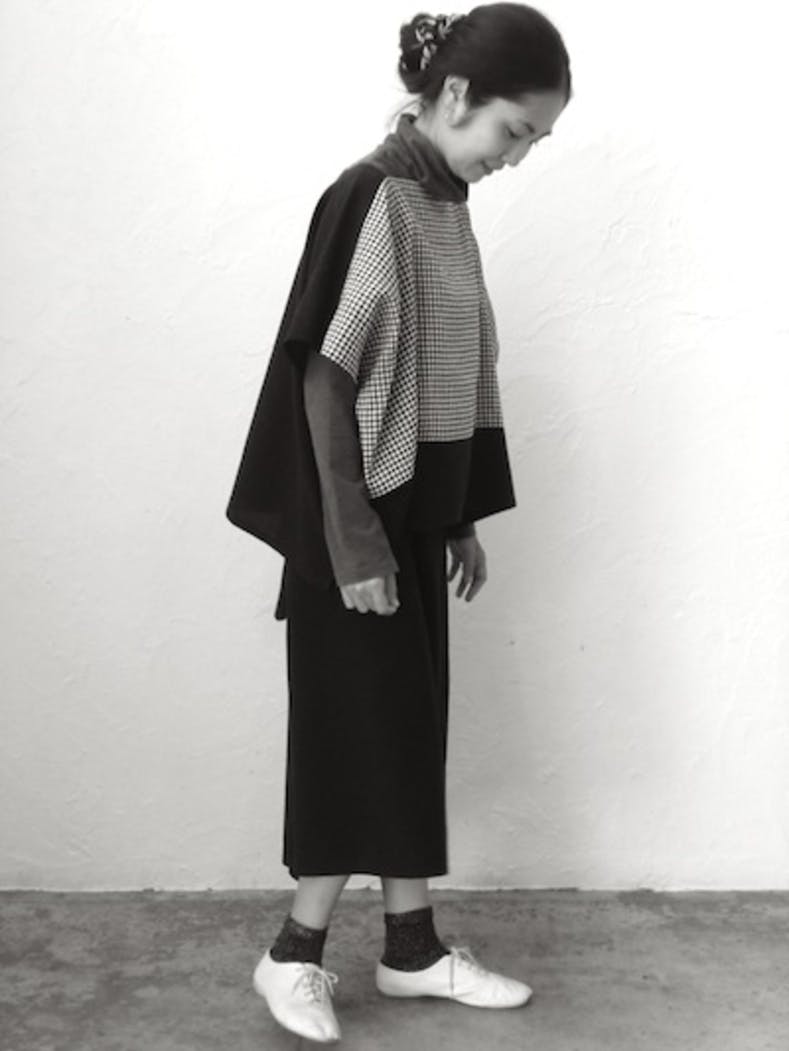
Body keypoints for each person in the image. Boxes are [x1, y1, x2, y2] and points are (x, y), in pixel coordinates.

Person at [225, 3, 572, 1043]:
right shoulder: (368, 195)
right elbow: (324, 378)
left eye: (535, 141)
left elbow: (448, 367)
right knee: (355, 739)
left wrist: (457, 519)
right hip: (356, 530)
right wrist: (355, 542)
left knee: (406, 734)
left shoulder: (443, 203)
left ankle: (412, 950)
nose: (518, 155)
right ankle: (292, 955)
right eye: (515, 130)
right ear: (455, 94)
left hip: (410, 522)